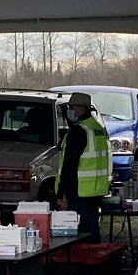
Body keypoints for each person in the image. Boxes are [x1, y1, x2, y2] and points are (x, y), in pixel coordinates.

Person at [54, 92, 110, 242]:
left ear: (81, 109)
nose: (69, 111)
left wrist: (61, 193)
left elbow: (69, 165)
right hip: (94, 191)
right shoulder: (97, 128)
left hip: (78, 191)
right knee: (91, 231)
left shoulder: (79, 131)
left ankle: (79, 264)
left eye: (71, 107)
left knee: (75, 233)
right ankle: (93, 262)